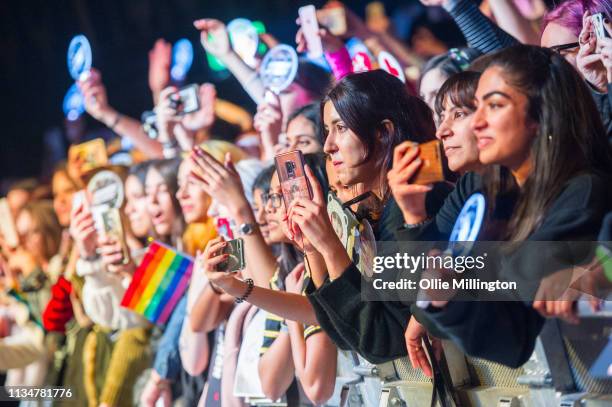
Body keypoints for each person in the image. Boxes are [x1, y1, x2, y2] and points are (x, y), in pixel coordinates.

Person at [394, 45, 612, 368]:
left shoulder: (582, 191)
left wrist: (457, 277)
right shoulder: (497, 197)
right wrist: (415, 221)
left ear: (540, 116)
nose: (477, 122)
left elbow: (523, 280)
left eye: (493, 105)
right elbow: (509, 343)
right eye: (477, 107)